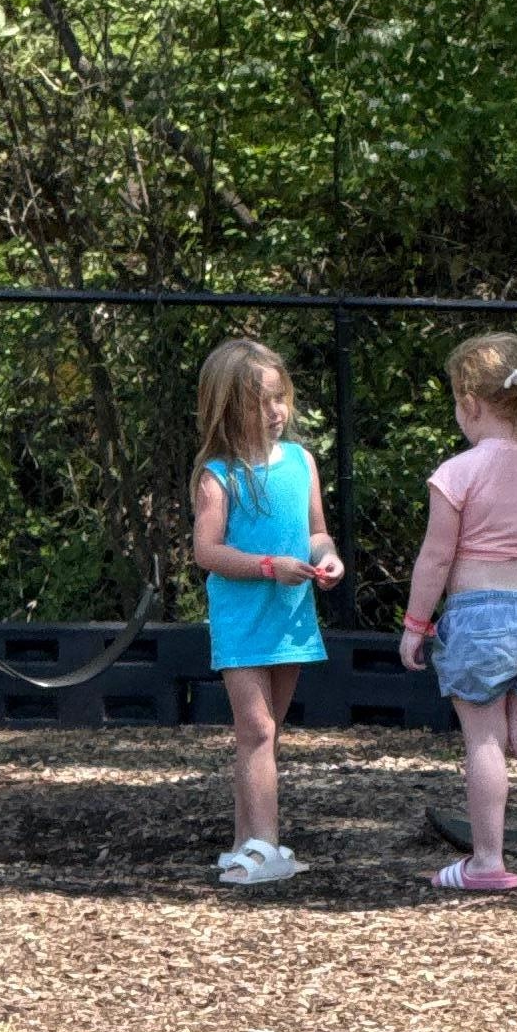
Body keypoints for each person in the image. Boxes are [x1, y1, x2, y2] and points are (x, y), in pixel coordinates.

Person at [399, 327, 517, 898]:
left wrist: (416, 625)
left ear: (470, 403)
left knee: (484, 741)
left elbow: (436, 557)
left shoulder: (457, 473)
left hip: (480, 617)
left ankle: (486, 860)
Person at [190, 334, 344, 888]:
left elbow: (317, 531)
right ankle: (265, 846)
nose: (277, 411)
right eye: (261, 403)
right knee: (255, 729)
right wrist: (266, 566)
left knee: (265, 734)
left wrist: (327, 558)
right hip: (242, 620)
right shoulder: (218, 474)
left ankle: (245, 844)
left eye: (280, 398)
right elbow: (206, 551)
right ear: (229, 409)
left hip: (291, 617)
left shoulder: (301, 462)